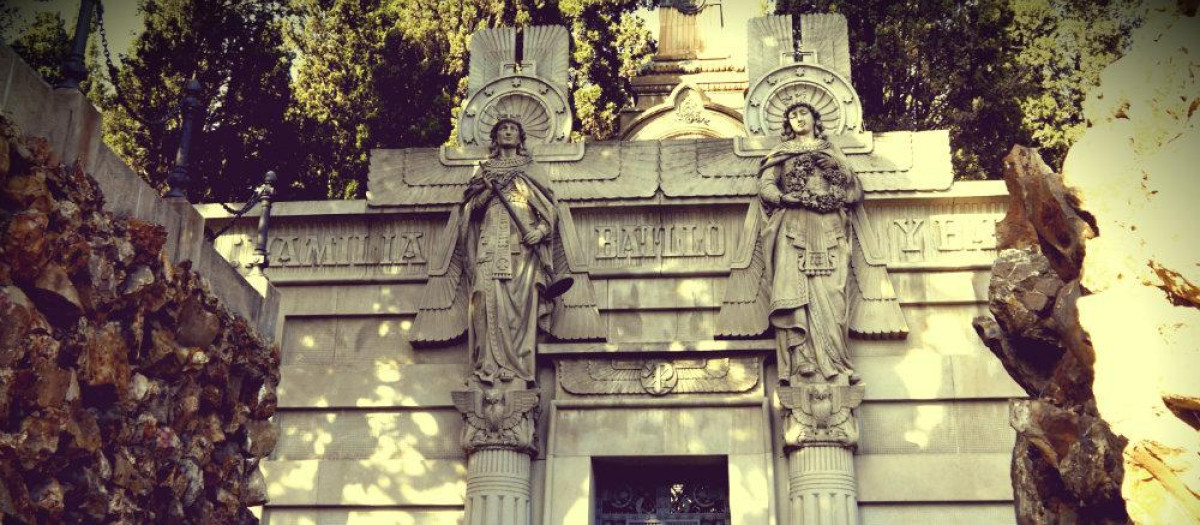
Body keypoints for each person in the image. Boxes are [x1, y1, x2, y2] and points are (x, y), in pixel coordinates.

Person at [411, 119, 603, 386]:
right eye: (503, 129)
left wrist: (542, 231)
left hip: (522, 246)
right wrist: (488, 189)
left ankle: (516, 368)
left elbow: (549, 208)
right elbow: (471, 210)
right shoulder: (484, 170)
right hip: (489, 242)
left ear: (521, 137)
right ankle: (486, 364)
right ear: (495, 136)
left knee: (520, 307)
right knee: (481, 297)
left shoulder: (531, 169)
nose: (508, 132)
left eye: (513, 128)